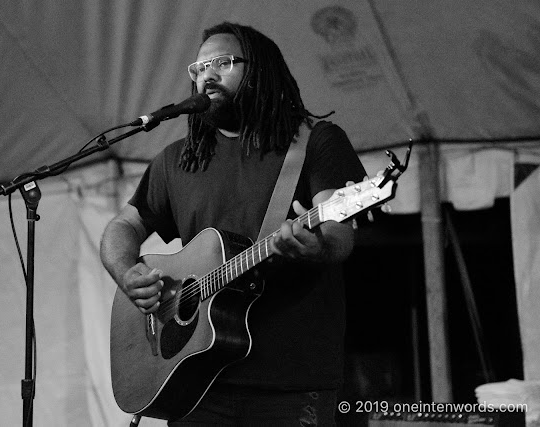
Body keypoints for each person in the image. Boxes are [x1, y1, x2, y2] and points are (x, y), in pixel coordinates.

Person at [100, 21, 366, 426]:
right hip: (194, 381)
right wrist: (126, 271)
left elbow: (338, 233)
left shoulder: (315, 143)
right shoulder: (178, 160)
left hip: (291, 381)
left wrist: (318, 247)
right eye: (198, 68)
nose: (206, 74)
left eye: (221, 62)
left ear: (259, 70)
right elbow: (123, 226)